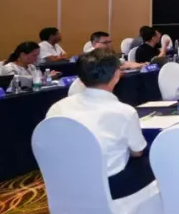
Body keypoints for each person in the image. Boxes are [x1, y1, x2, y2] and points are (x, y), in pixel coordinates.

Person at [45, 49, 154, 199]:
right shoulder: (124, 111)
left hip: (64, 183)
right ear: (116, 75)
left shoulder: (57, 107)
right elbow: (137, 152)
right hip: (111, 184)